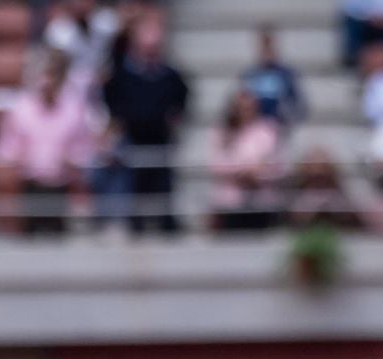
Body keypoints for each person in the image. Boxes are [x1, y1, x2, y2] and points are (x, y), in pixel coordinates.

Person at [0, 47, 95, 236]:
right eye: (43, 74)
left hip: (62, 189)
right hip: (29, 186)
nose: (46, 80)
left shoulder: (75, 109)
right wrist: (22, 159)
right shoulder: (19, 108)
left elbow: (83, 150)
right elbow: (6, 150)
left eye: (52, 74)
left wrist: (70, 160)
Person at [101, 16, 189, 235]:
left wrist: (173, 119)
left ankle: (166, 223)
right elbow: (111, 102)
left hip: (160, 140)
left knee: (162, 186)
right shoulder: (120, 76)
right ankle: (132, 225)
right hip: (132, 141)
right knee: (132, 188)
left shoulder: (170, 76)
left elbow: (181, 100)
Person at [206, 87, 283, 233]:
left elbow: (276, 165)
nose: (245, 111)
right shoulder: (223, 132)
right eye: (241, 108)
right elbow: (216, 165)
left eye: (249, 108)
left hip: (261, 199)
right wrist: (243, 171)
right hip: (230, 202)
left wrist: (256, 173)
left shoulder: (268, 130)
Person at [240, 25, 304, 126]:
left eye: (269, 46)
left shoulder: (286, 74)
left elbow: (297, 104)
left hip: (279, 125)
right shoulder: (249, 75)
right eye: (263, 46)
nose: (266, 51)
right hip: (254, 127)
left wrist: (286, 117)